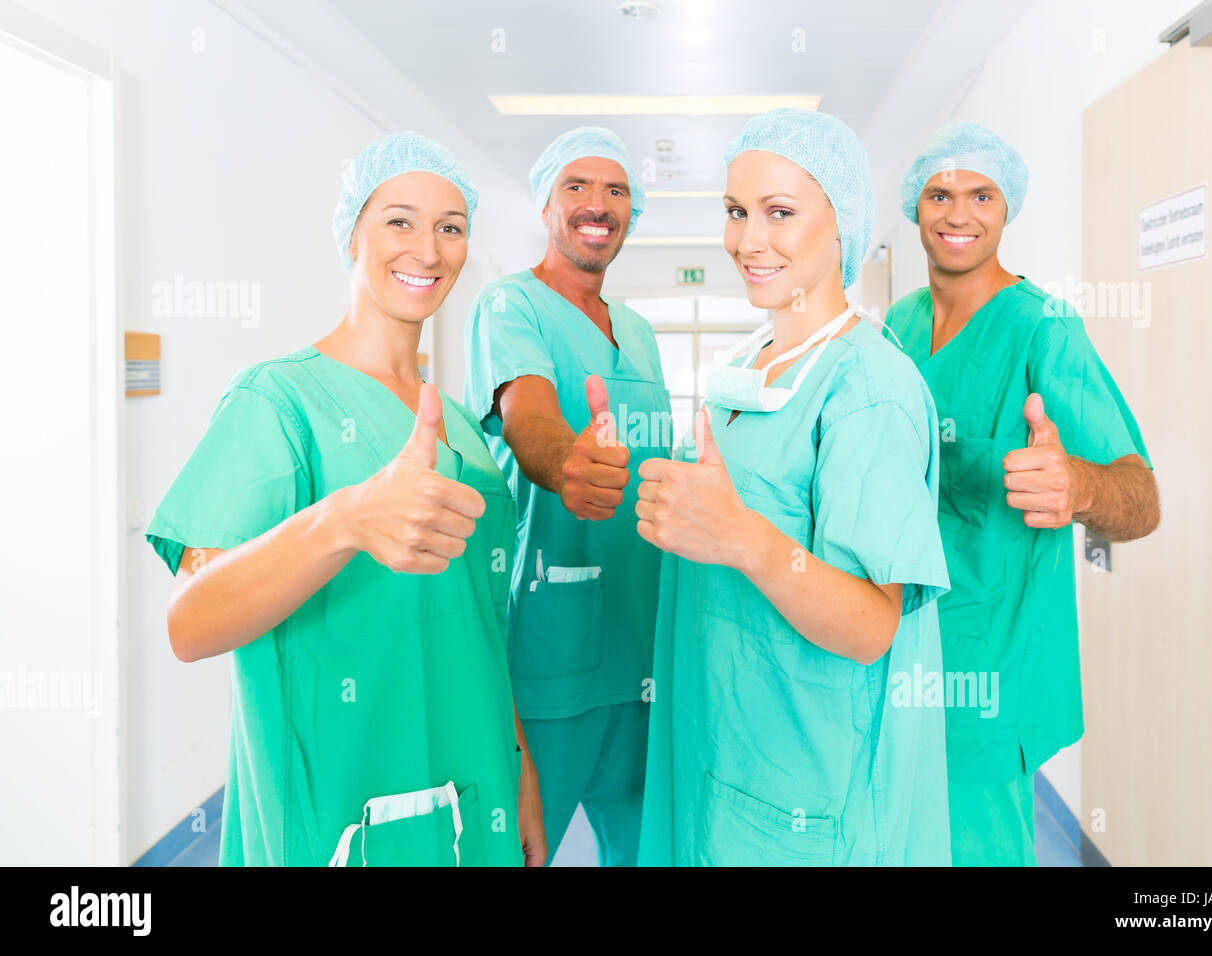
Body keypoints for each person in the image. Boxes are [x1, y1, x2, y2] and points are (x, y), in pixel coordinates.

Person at [146, 131, 545, 866]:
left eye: (450, 227)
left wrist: (518, 766)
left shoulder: (455, 422)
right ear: (351, 234)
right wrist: (345, 520)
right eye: (400, 220)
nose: (427, 249)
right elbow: (190, 622)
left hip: (476, 779)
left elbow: (485, 623)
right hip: (339, 808)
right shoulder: (279, 403)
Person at [635, 109, 951, 866]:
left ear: (841, 224)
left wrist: (740, 536)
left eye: (780, 212)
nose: (749, 240)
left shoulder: (866, 387)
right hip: (722, 751)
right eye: (737, 212)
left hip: (809, 794)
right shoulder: (748, 364)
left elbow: (875, 625)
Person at [887, 121, 1161, 866]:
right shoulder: (897, 324)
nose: (958, 213)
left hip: (988, 664)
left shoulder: (1045, 328)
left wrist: (1077, 483)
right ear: (915, 204)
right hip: (887, 643)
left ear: (1008, 210)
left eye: (982, 194)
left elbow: (1141, 497)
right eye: (939, 193)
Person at [462, 127, 671, 866]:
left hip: (642, 645)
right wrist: (567, 464)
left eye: (616, 190)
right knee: (525, 846)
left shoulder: (641, 334)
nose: (598, 203)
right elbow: (529, 419)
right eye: (577, 186)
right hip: (548, 649)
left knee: (649, 850)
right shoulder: (508, 307)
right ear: (547, 205)